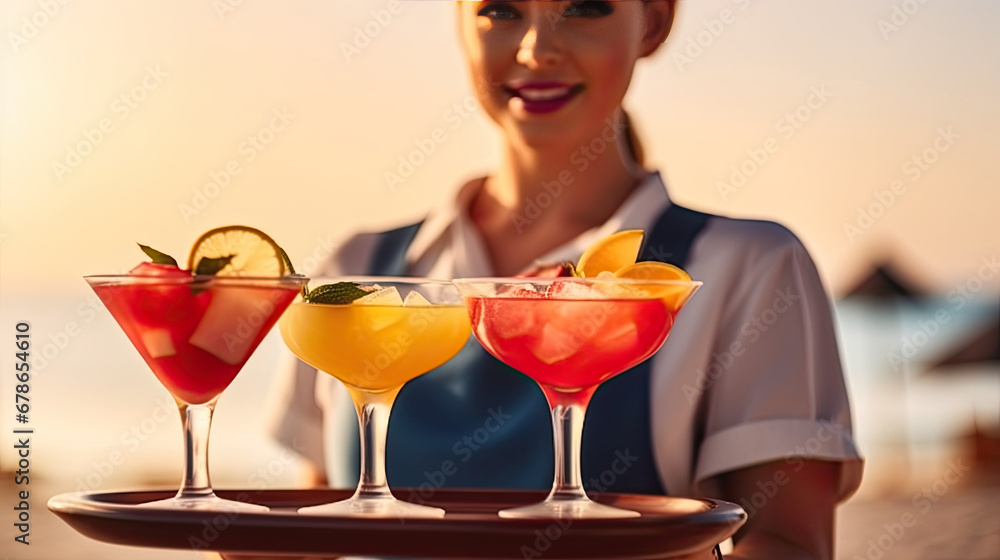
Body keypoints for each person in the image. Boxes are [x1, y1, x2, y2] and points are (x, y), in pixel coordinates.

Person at [267, 2, 863, 559]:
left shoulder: (749, 266)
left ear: (654, 21)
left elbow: (788, 543)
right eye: (500, 9)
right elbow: (318, 527)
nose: (536, 49)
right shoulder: (351, 270)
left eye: (584, 6)